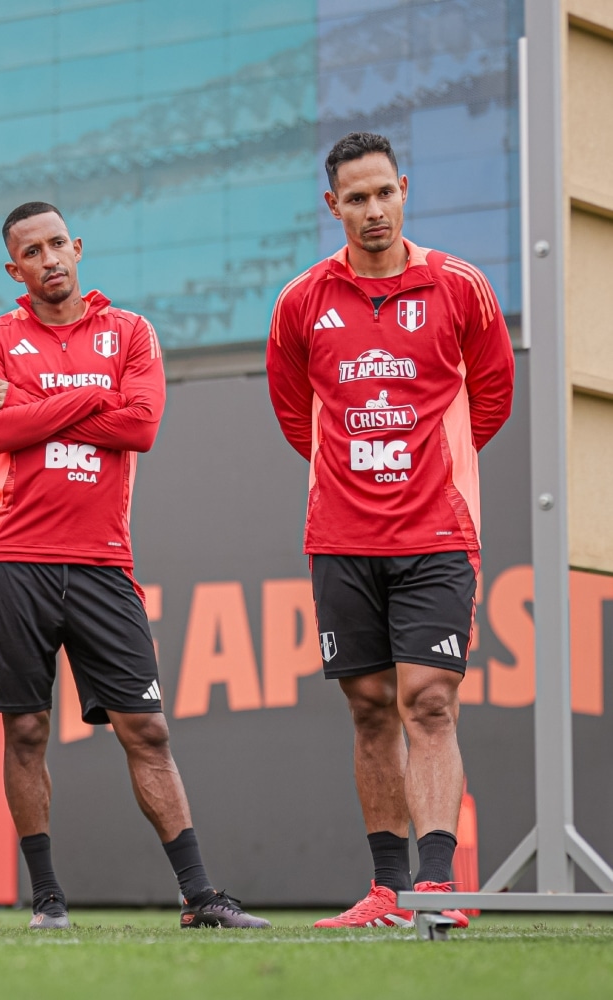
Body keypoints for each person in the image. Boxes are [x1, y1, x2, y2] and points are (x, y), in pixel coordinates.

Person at [0, 202, 269, 931]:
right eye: (31, 252)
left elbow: (141, 425)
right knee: (26, 733)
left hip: (103, 564)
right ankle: (47, 902)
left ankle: (199, 897)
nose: (50, 260)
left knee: (148, 730)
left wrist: (41, 400)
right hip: (15, 562)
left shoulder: (129, 331)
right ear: (16, 269)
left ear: (78, 246)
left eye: (58, 244)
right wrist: (91, 397)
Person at [266, 132, 514, 930]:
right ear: (332, 205)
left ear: (404, 189)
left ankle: (436, 889)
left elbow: (493, 398)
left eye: (385, 193)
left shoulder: (459, 286)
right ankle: (385, 890)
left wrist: (422, 471)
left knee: (431, 702)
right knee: (370, 707)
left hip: (437, 534)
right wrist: (356, 472)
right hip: (340, 536)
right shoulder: (302, 299)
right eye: (356, 198)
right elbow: (293, 411)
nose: (374, 211)